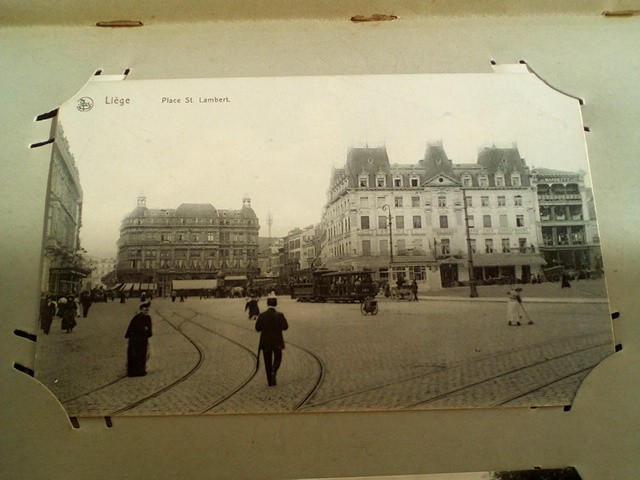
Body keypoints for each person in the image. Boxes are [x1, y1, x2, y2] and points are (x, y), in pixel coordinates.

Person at [255, 294, 289, 387]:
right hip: (277, 341)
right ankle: (273, 371)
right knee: (278, 358)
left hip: (265, 342)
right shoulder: (280, 315)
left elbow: (257, 328)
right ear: (276, 304)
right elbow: (285, 327)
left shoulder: (262, 315)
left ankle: (270, 382)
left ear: (267, 304)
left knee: (267, 361)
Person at [124, 301, 153, 377]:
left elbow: (149, 329)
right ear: (141, 310)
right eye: (144, 310)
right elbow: (132, 329)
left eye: (147, 310)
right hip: (135, 340)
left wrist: (146, 333)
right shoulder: (137, 318)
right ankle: (134, 372)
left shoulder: (148, 318)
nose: (146, 311)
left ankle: (140, 370)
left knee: (142, 355)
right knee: (135, 355)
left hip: (142, 339)